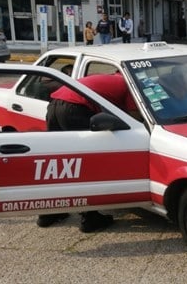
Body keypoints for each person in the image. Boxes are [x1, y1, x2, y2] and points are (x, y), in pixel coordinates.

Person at [38, 73, 139, 233]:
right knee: (84, 164)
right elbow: (135, 117)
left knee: (58, 163)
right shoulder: (131, 83)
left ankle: (49, 213)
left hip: (54, 105)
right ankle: (89, 218)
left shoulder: (111, 78)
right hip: (75, 109)